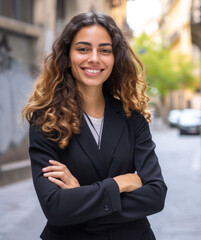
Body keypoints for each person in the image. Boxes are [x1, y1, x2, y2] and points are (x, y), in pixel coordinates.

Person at [21, 12, 167, 240]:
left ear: (115, 58)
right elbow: (55, 208)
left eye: (105, 50)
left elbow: (156, 195)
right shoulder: (46, 120)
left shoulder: (132, 118)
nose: (95, 58)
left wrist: (80, 198)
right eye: (83, 49)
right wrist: (121, 183)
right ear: (67, 56)